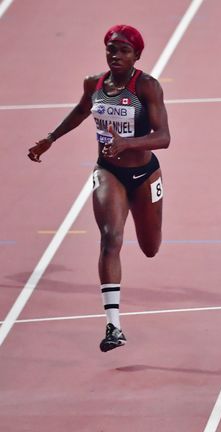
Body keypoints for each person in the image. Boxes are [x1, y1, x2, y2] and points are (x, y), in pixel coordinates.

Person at [27, 25, 170, 352]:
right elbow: (80, 111)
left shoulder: (146, 87)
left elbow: (164, 137)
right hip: (109, 172)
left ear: (137, 55)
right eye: (111, 50)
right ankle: (113, 325)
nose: (116, 56)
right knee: (110, 238)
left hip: (145, 174)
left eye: (123, 51)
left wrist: (127, 143)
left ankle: (115, 319)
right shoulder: (94, 84)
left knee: (151, 247)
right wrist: (50, 139)